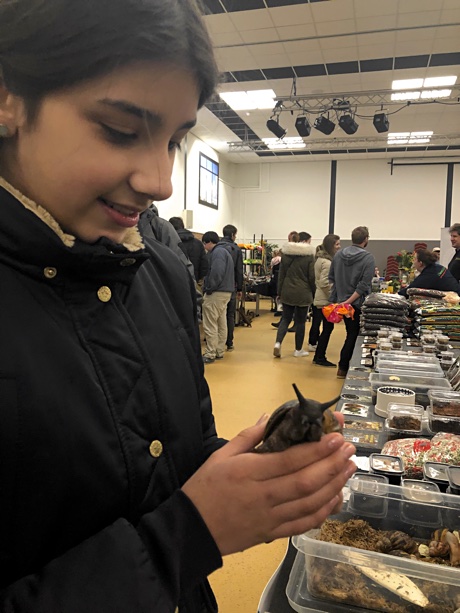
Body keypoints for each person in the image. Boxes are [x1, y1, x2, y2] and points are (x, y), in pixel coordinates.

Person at [0, 1, 356, 610]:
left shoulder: (159, 272)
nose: (161, 180)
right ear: (9, 99)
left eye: (174, 138)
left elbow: (175, 464)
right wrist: (190, 533)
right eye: (118, 129)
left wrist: (265, 461)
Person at [329, 226, 375, 379]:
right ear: (366, 239)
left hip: (342, 302)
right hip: (357, 304)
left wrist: (339, 301)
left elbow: (332, 278)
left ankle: (343, 368)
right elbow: (363, 286)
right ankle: (345, 367)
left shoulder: (338, 255)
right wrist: (348, 302)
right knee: (355, 336)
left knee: (350, 334)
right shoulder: (368, 258)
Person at [273, 232, 315, 358]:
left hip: (287, 290)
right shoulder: (309, 256)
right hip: (303, 291)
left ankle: (278, 343)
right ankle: (298, 350)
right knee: (301, 322)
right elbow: (312, 277)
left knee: (285, 318)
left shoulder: (286, 254)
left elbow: (281, 275)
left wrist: (279, 292)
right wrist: (313, 292)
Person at [201, 231, 234, 364]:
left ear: (209, 242)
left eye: (204, 244)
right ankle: (219, 350)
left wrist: (209, 287)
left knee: (210, 323)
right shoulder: (226, 251)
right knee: (221, 323)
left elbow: (217, 272)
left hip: (216, 292)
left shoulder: (218, 252)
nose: (204, 247)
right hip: (226, 292)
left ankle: (210, 353)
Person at [312, 234, 341, 368]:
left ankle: (319, 355)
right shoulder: (327, 263)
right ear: (330, 245)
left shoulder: (320, 259)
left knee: (325, 328)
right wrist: (334, 298)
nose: (339, 247)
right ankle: (320, 356)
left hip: (321, 299)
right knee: (327, 329)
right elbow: (325, 283)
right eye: (337, 244)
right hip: (325, 301)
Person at [220, 224, 243, 351]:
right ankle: (229, 342)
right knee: (230, 314)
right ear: (233, 235)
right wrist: (239, 288)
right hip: (231, 287)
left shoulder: (216, 247)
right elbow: (239, 270)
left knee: (218, 314)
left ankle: (217, 341)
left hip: (218, 287)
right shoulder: (236, 249)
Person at [169, 215, 209, 283]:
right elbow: (204, 266)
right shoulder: (198, 243)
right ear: (183, 226)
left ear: (170, 227)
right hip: (193, 281)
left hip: (173, 282)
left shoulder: (169, 242)